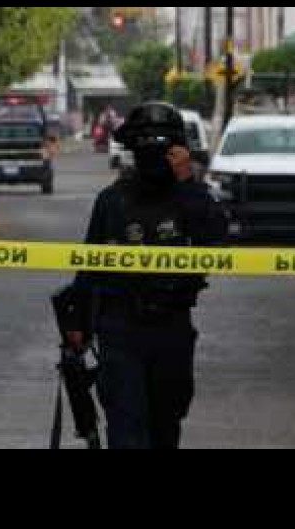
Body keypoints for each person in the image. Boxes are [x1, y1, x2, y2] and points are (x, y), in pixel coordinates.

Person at [67, 102, 229, 449]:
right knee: (126, 430)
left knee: (165, 427)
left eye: (163, 144)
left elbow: (214, 235)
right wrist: (78, 324)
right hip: (120, 327)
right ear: (132, 147)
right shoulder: (112, 200)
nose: (154, 152)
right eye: (146, 142)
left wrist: (187, 180)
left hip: (172, 325)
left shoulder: (189, 196)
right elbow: (90, 264)